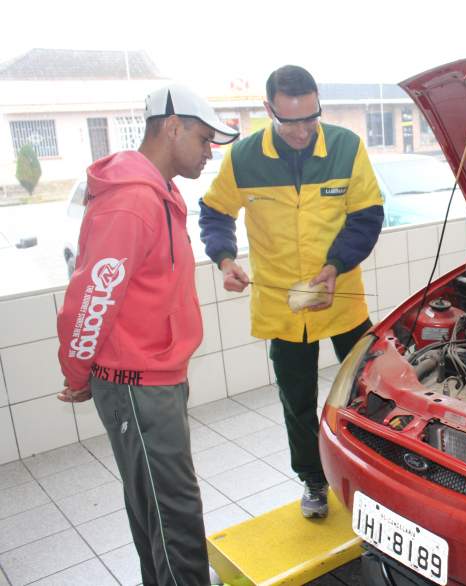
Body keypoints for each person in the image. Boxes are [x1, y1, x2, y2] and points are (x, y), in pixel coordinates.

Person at [56, 84, 239, 586]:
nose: (209, 153)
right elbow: (92, 299)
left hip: (156, 374)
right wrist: (77, 374)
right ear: (172, 126)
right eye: (204, 140)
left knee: (155, 506)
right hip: (135, 381)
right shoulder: (133, 202)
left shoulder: (162, 192)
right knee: (173, 512)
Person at [199, 65, 383, 518]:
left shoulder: (346, 147)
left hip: (340, 296)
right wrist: (225, 259)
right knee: (296, 401)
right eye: (290, 121)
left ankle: (379, 474)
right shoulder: (242, 158)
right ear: (268, 111)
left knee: (372, 388)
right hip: (282, 306)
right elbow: (214, 212)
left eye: (310, 118)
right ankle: (313, 482)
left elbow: (367, 214)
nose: (302, 131)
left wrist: (336, 265)